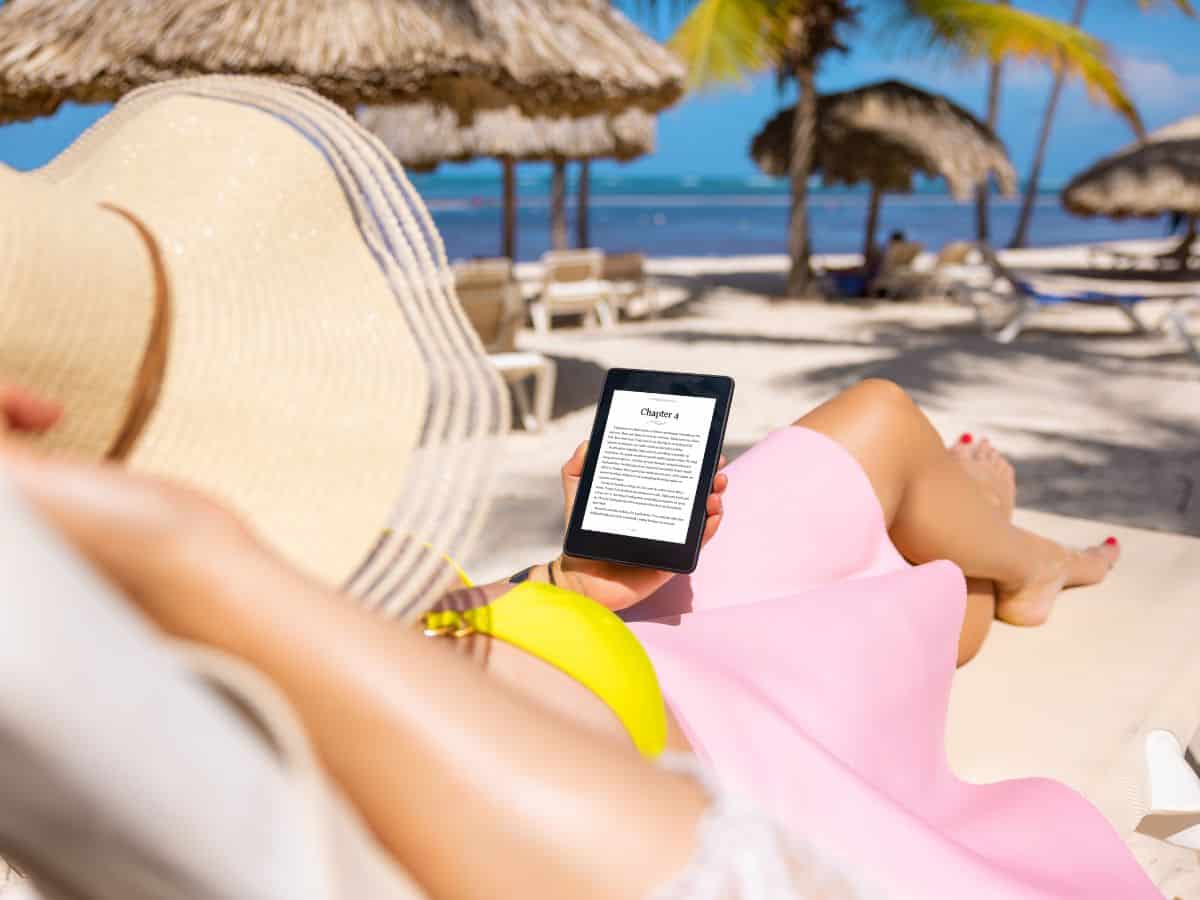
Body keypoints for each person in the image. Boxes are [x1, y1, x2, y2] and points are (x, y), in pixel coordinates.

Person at [0, 77, 1157, 899]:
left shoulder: (162, 569)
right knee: (913, 572)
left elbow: (432, 634)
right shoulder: (129, 669)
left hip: (589, 614)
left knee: (881, 431)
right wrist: (188, 555)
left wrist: (570, 570)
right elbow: (675, 866)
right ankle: (1016, 560)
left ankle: (1006, 562)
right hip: (664, 701)